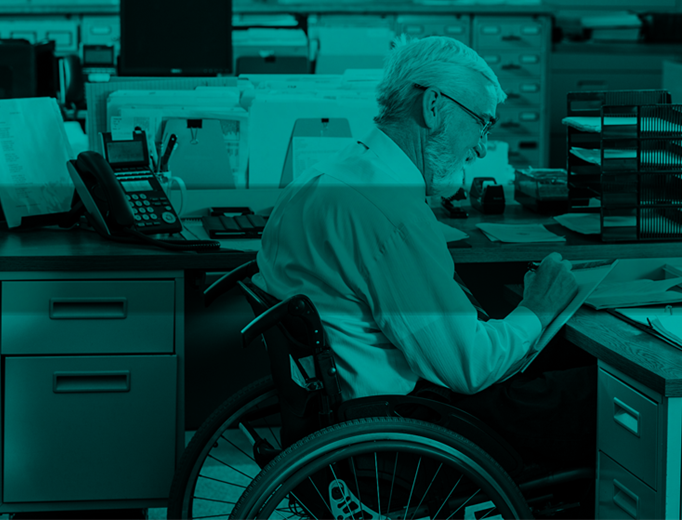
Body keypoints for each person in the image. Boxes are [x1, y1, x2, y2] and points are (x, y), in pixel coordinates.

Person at [254, 35, 596, 469]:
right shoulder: (390, 210)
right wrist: (537, 307)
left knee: (561, 365)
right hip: (400, 426)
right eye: (481, 123)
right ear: (434, 107)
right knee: (600, 391)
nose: (480, 147)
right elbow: (468, 368)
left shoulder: (323, 174)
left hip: (337, 407)